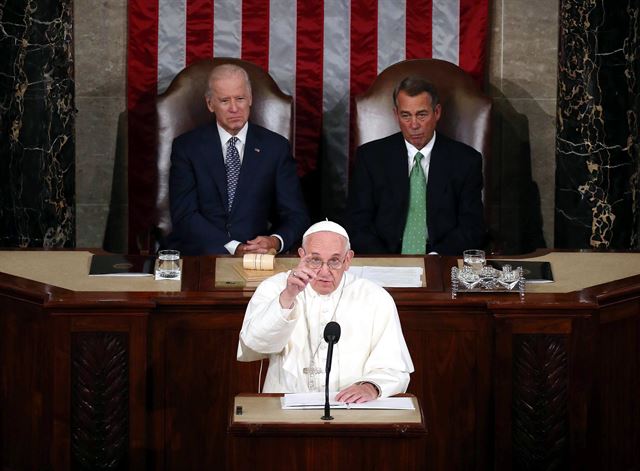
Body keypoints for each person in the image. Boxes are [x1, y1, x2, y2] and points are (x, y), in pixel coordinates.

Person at [237, 220, 414, 403]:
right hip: (285, 405)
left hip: (352, 411)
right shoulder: (275, 287)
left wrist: (371, 386)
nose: (324, 271)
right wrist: (287, 297)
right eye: (315, 260)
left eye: (334, 261)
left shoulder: (375, 297)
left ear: (347, 260)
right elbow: (254, 344)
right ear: (301, 255)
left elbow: (394, 367)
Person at [166, 64, 309, 255]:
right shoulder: (187, 147)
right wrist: (235, 248)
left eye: (240, 99)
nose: (234, 108)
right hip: (199, 254)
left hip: (257, 256)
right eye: (225, 101)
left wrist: (274, 241)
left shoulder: (275, 148)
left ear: (250, 99)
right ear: (210, 104)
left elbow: (296, 215)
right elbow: (184, 215)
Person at [346, 76, 486, 255]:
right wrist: (388, 262)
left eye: (421, 114)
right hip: (384, 256)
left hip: (440, 257)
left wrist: (435, 258)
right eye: (406, 115)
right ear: (396, 115)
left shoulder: (466, 160)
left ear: (437, 112)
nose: (414, 125)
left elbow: (472, 227)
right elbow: (357, 224)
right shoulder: (371, 157)